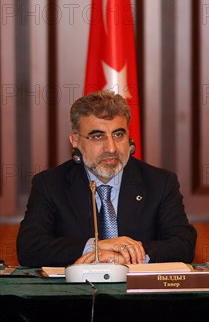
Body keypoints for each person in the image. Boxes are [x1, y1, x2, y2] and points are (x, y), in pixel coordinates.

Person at [17, 91, 197, 267]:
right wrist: (94, 247)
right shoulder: (50, 184)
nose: (111, 148)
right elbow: (30, 247)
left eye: (119, 135)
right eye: (97, 136)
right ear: (75, 141)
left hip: (137, 295)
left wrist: (125, 254)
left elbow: (183, 244)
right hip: (78, 295)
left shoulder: (160, 182)